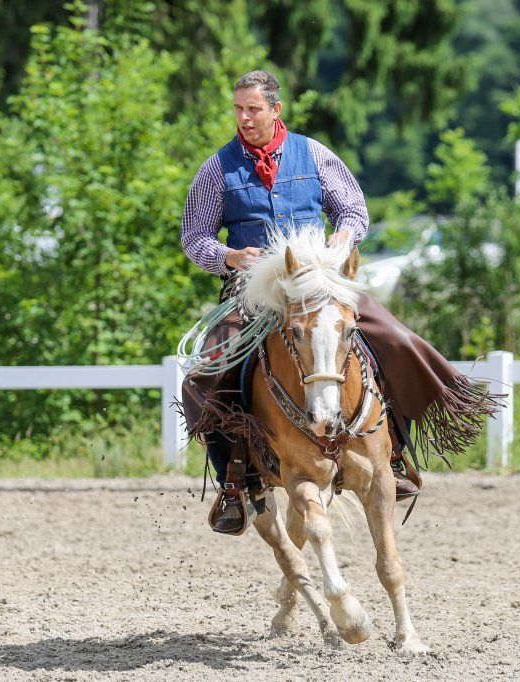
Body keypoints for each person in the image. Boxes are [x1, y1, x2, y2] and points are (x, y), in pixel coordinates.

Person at [180, 70, 429, 534]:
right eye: (238, 109)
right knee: (204, 378)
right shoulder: (217, 168)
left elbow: (353, 209)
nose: (244, 118)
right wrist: (229, 255)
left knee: (394, 340)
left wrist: (345, 235)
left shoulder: (315, 154)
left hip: (318, 284)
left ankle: (391, 453)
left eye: (253, 109)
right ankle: (233, 480)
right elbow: (193, 238)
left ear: (276, 110)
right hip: (253, 293)